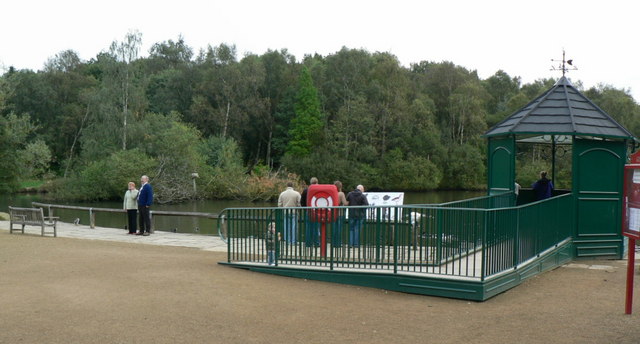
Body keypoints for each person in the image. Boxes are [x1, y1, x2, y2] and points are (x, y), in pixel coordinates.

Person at [301, 177, 320, 247]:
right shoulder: (319, 190)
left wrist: (305, 208)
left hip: (308, 211)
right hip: (317, 211)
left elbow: (302, 201)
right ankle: (316, 243)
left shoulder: (306, 190)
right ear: (317, 182)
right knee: (316, 227)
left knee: (308, 227)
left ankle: (308, 243)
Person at [332, 181, 348, 246]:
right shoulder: (341, 194)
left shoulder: (332, 193)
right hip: (340, 213)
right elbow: (345, 203)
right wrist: (349, 202)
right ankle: (338, 242)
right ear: (340, 186)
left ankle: (333, 242)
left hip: (333, 213)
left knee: (334, 228)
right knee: (339, 228)